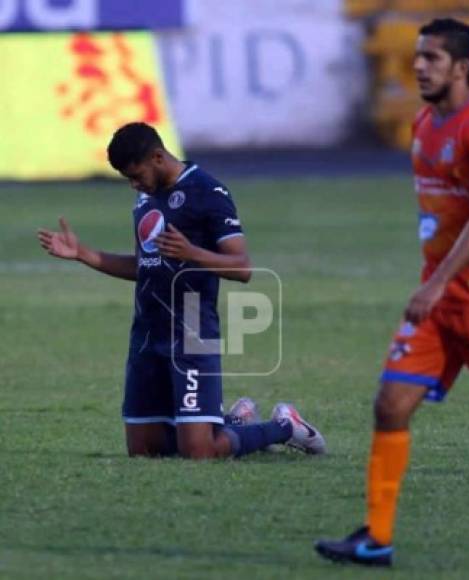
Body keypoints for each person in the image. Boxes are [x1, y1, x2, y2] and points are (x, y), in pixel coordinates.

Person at [315, 18, 469, 568]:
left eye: (432, 58)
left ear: (462, 68)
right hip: (437, 301)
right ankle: (377, 538)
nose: (419, 65)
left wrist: (438, 280)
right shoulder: (425, 124)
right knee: (391, 403)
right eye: (418, 56)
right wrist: (436, 285)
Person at [38, 122, 326, 460]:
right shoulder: (145, 199)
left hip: (192, 327)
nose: (134, 184)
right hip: (147, 330)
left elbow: (243, 267)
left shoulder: (208, 192)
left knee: (200, 451)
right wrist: (83, 254)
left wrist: (192, 253)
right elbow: (145, 265)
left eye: (136, 175)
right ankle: (230, 420)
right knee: (144, 451)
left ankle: (285, 426)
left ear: (158, 157)